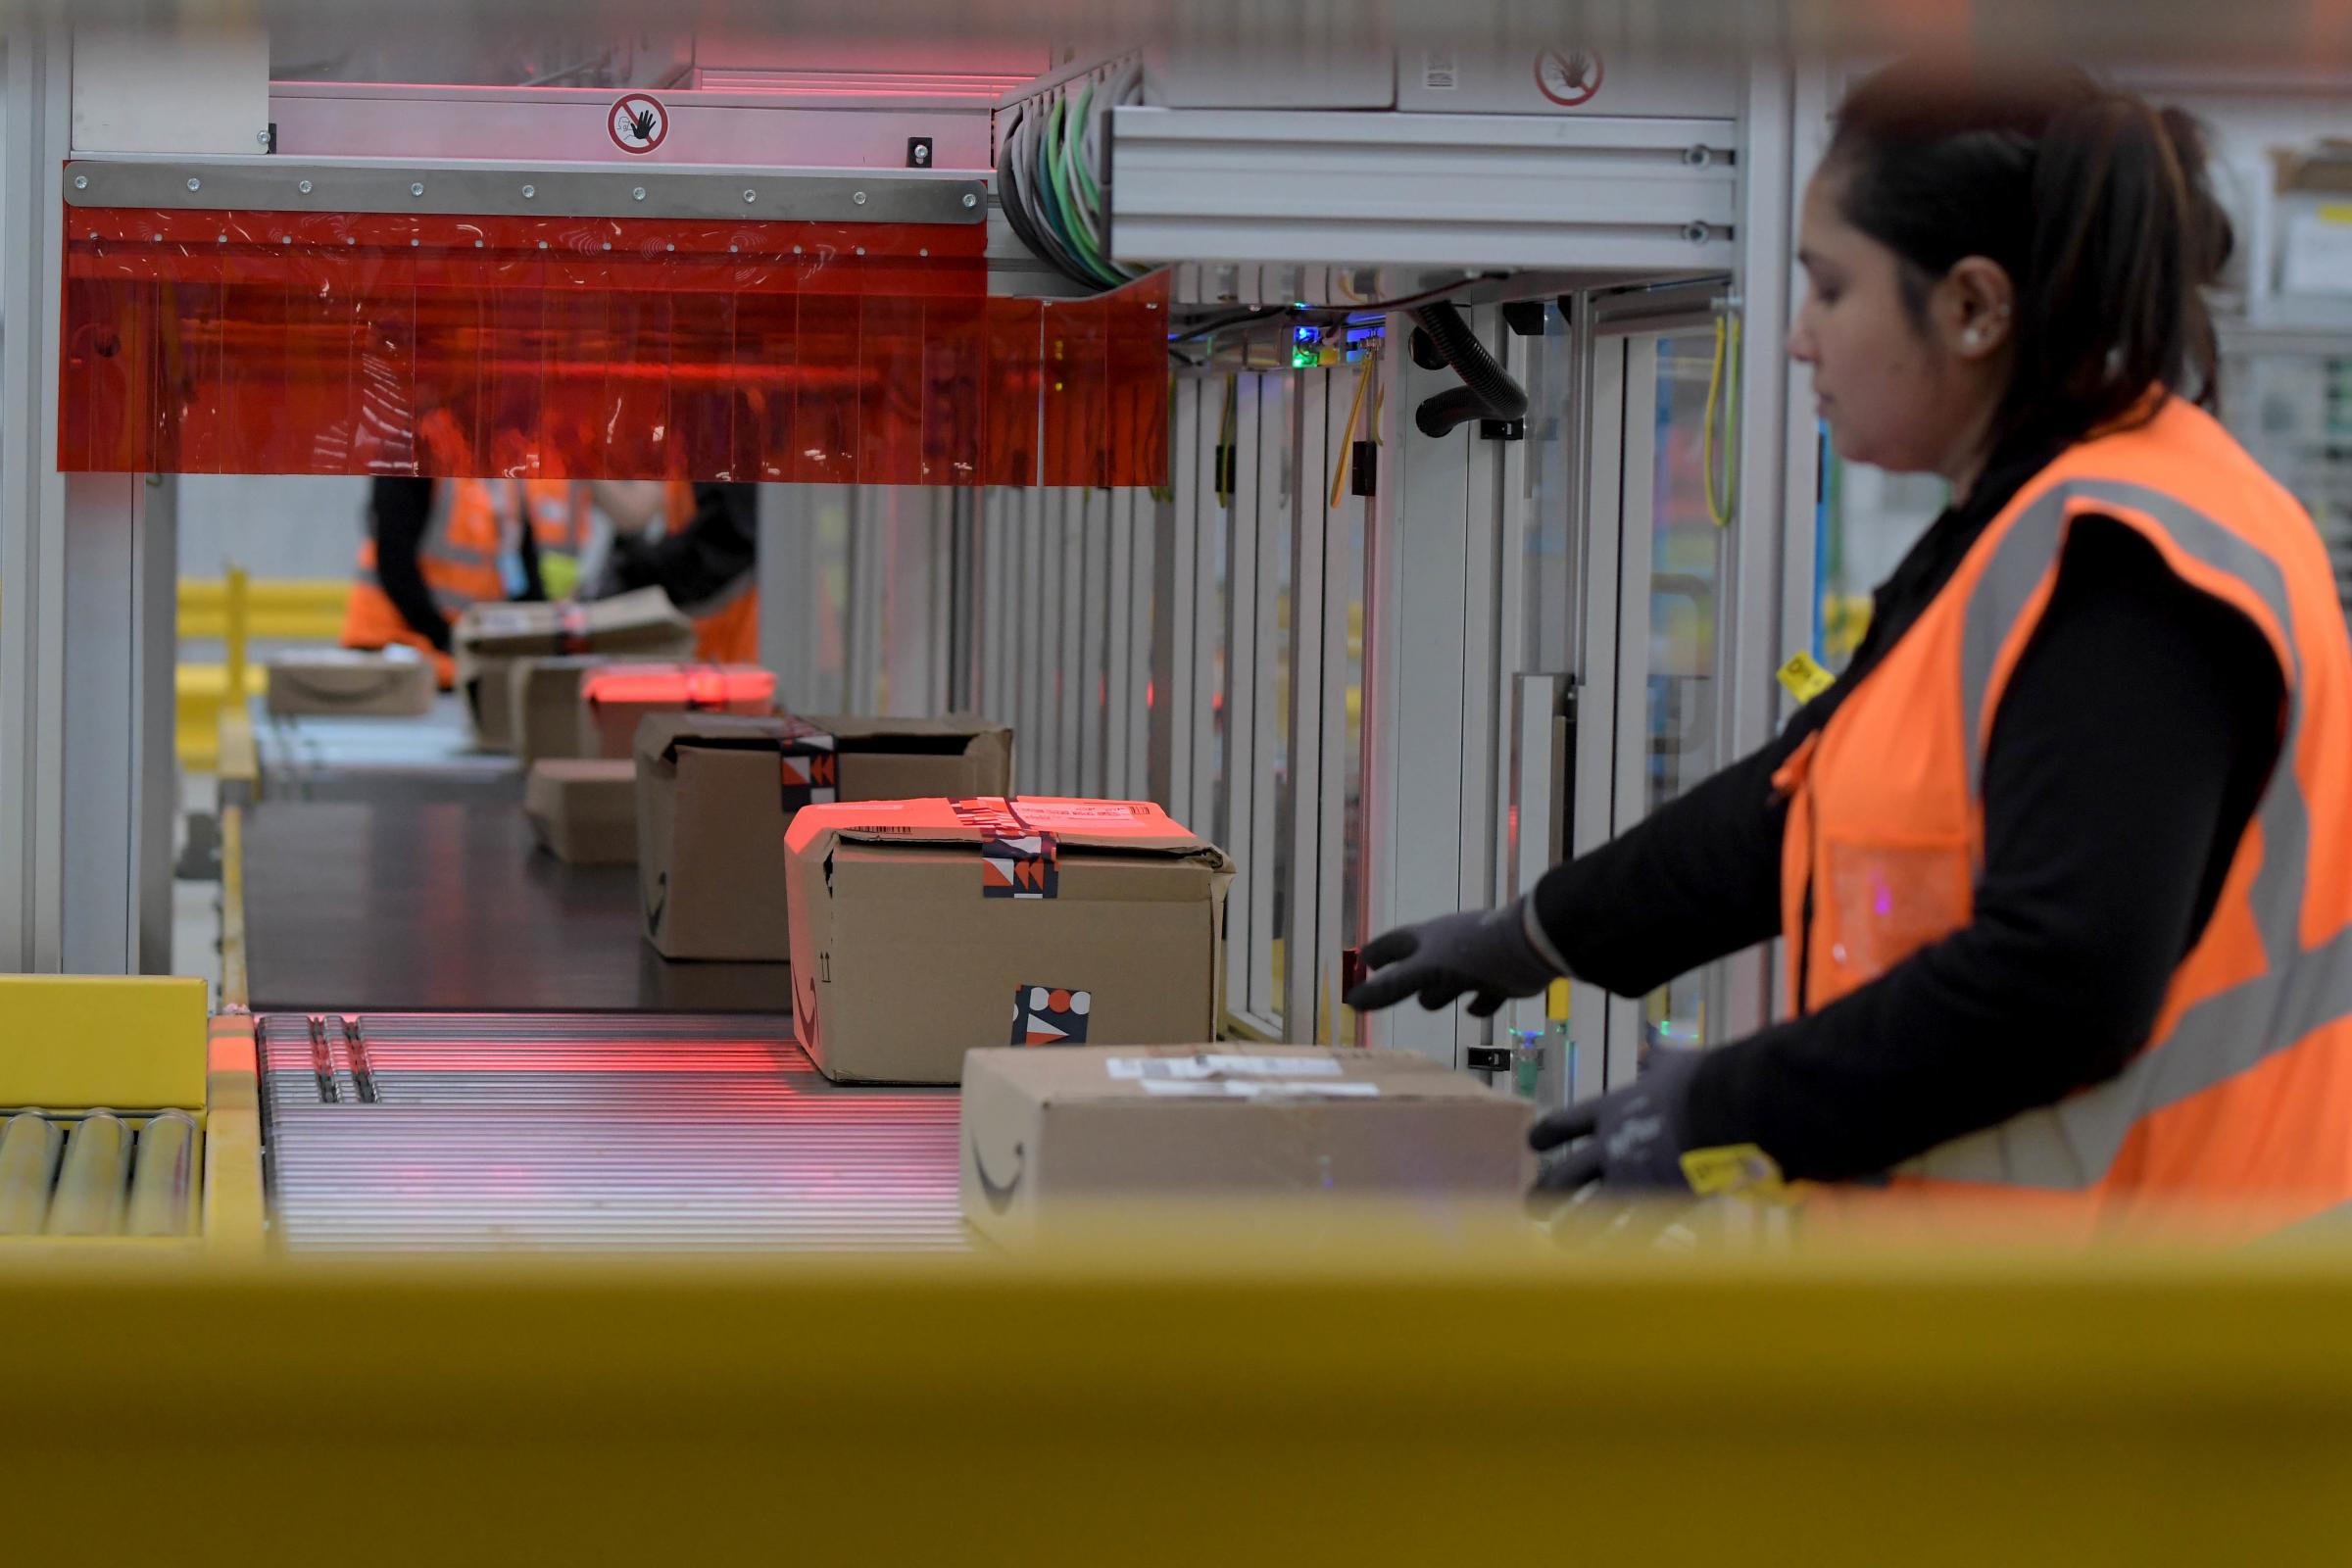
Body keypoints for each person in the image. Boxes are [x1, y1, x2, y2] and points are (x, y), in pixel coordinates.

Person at [1348, 58, 2352, 1239]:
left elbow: (2061, 982)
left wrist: (1724, 1106)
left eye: (1831, 289)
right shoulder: (2024, 529)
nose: (1795, 339)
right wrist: (1536, 931)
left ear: (1976, 308)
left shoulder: (2131, 570)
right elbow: (1802, 800)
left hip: (2154, 1331)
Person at [586, 480, 760, 663]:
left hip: (731, 642)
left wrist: (622, 586)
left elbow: (719, 551)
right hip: (697, 641)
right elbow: (636, 509)